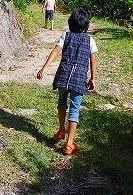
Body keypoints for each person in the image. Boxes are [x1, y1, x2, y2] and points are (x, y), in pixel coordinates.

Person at [36, 8, 98, 155]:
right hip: (79, 78)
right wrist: (93, 78)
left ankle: (61, 130)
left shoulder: (65, 35)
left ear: (70, 22)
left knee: (62, 102)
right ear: (86, 26)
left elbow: (55, 51)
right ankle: (69, 145)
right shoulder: (90, 40)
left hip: (64, 75)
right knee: (75, 109)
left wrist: (44, 68)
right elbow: (93, 59)